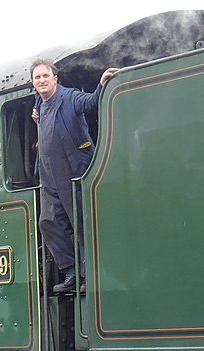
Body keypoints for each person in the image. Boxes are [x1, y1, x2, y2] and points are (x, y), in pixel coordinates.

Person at [31, 59, 118, 294]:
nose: (42, 80)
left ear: (55, 78)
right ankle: (70, 269)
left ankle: (89, 273)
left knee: (79, 222)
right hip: (48, 174)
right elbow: (38, 103)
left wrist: (102, 85)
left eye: (45, 76)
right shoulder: (40, 102)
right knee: (48, 222)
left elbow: (89, 102)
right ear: (33, 83)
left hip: (72, 170)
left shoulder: (69, 97)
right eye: (38, 77)